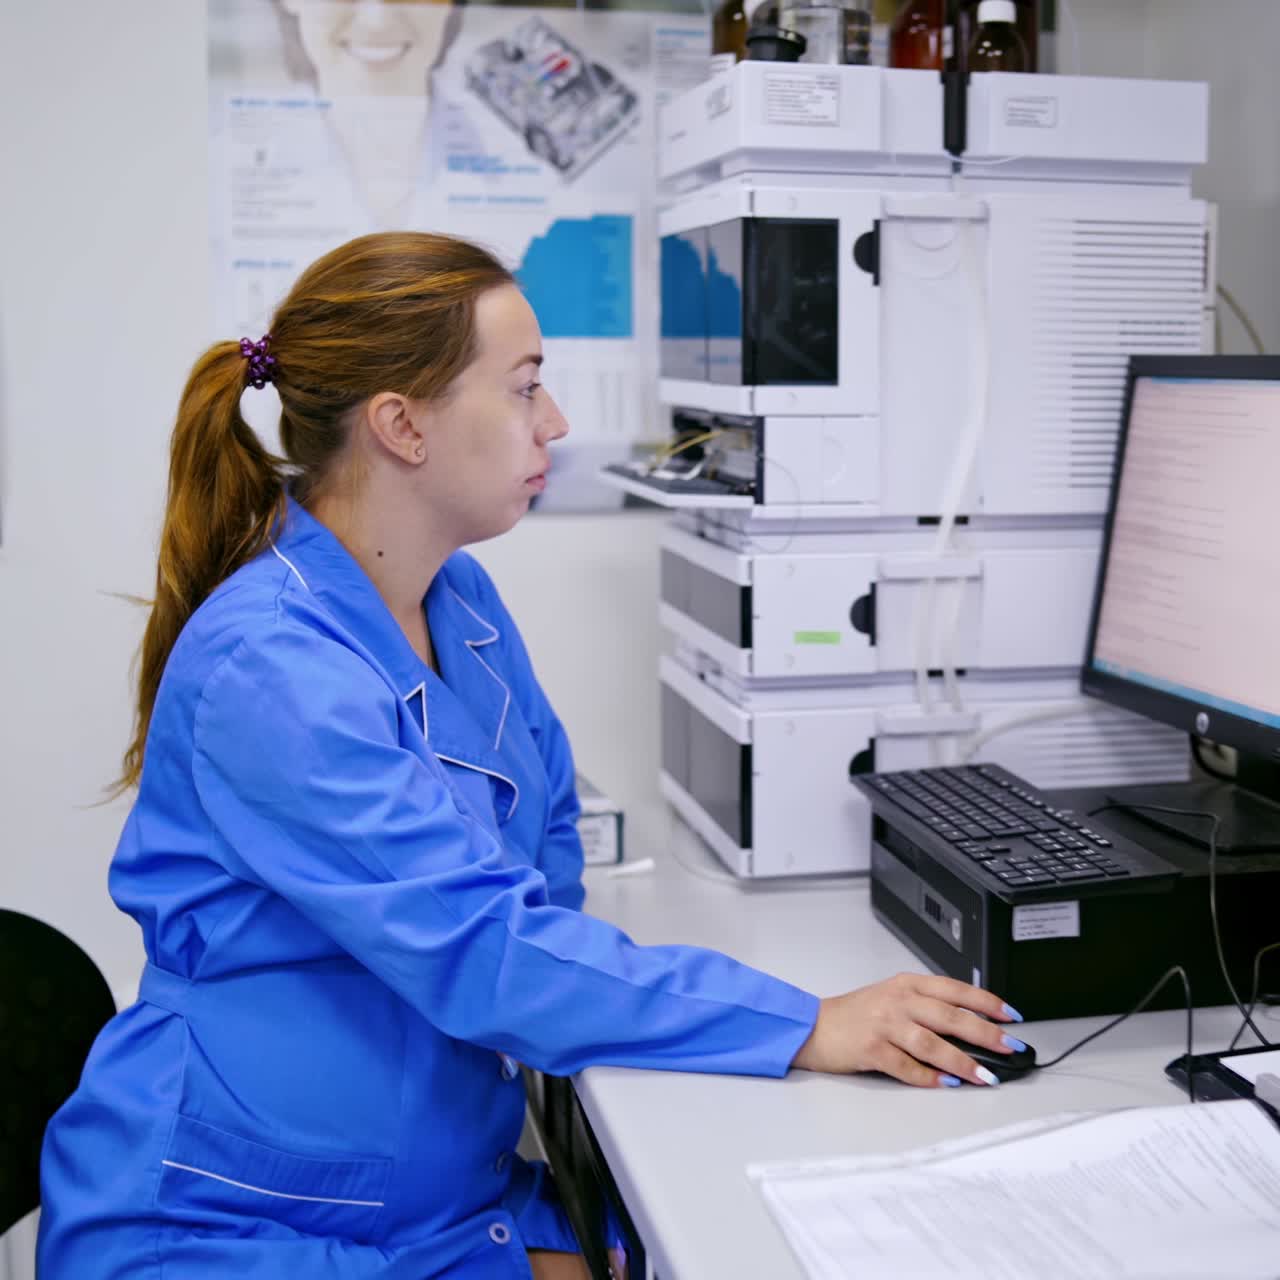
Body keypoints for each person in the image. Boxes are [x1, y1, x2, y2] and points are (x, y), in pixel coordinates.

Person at [37, 231, 1025, 1280]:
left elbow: (541, 843)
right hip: (237, 1218)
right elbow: (487, 952)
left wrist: (582, 979)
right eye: (523, 388)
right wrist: (805, 1022)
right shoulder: (268, 667)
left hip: (429, 1195)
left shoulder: (455, 600)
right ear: (401, 425)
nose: (553, 422)